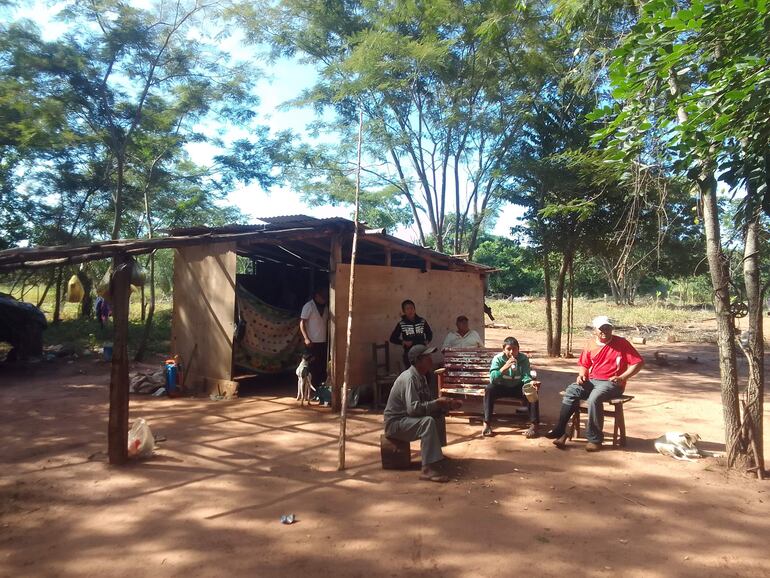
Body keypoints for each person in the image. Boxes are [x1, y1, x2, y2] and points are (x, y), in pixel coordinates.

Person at [546, 315, 644, 452]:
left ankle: (595, 439)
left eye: (608, 328)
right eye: (601, 328)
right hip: (593, 380)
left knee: (594, 398)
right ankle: (560, 428)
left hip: (612, 383)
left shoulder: (621, 343)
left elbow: (638, 362)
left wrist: (622, 377)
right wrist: (581, 375)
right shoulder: (590, 344)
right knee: (571, 391)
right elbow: (584, 364)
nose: (605, 331)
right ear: (595, 330)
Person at [384, 345, 462, 483]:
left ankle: (435, 457)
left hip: (407, 419)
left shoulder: (421, 377)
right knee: (427, 422)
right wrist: (437, 403)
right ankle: (427, 469)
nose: (431, 360)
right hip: (396, 423)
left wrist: (447, 404)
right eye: (427, 357)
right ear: (418, 361)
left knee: (437, 416)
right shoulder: (409, 378)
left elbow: (427, 404)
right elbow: (413, 409)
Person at [482, 337, 539, 438]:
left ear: (518, 349)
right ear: (503, 349)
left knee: (532, 390)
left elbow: (526, 376)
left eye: (514, 349)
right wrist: (504, 368)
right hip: (502, 386)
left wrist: (531, 382)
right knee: (489, 389)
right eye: (508, 349)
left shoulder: (523, 359)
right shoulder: (498, 359)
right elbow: (493, 379)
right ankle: (487, 423)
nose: (512, 352)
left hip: (518, 387)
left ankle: (534, 425)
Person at [389, 299, 433, 368]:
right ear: (404, 311)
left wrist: (427, 340)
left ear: (415, 309)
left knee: (426, 371)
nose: (410, 311)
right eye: (407, 309)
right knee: (412, 372)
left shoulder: (422, 321)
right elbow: (392, 338)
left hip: (422, 351)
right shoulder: (401, 324)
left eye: (412, 308)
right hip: (409, 353)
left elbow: (429, 333)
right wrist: (403, 342)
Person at [299, 288, 328, 388]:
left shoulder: (326, 307)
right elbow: (302, 322)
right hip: (311, 341)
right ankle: (311, 387)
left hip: (323, 341)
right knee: (311, 366)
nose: (324, 298)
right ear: (317, 296)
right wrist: (306, 338)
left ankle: (320, 388)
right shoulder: (309, 306)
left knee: (321, 365)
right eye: (322, 296)